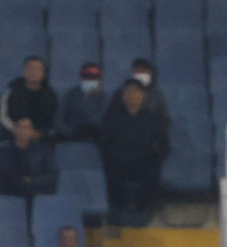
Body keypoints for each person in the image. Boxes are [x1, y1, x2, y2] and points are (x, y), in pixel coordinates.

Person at [98, 79, 169, 226]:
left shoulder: (151, 118)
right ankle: (117, 212)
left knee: (151, 174)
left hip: (143, 161)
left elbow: (163, 143)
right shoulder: (112, 117)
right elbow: (104, 141)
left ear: (143, 96)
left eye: (136, 92)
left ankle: (142, 211)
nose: (132, 96)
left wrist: (156, 157)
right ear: (123, 96)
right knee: (111, 172)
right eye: (128, 92)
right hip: (118, 160)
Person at [0, 117, 57, 198]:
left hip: (36, 193)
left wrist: (31, 180)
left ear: (32, 131)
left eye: (27, 128)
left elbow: (51, 176)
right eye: (20, 127)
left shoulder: (43, 151)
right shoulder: (3, 152)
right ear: (15, 130)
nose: (23, 131)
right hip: (9, 193)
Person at [0, 55, 58, 140]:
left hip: (40, 139)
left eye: (37, 69)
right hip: (12, 136)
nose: (33, 72)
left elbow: (54, 121)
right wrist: (16, 130)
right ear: (24, 72)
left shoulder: (51, 96)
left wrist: (37, 133)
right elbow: (3, 116)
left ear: (43, 73)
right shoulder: (12, 91)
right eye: (30, 69)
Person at [106, 59, 169, 130]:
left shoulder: (157, 96)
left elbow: (165, 121)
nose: (140, 74)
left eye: (143, 71)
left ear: (150, 74)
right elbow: (111, 117)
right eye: (137, 71)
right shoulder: (120, 93)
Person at [58, 62, 107, 142]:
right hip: (71, 136)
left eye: (94, 78)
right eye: (87, 77)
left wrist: (86, 98)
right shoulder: (70, 94)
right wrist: (70, 132)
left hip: (95, 137)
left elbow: (96, 120)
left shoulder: (103, 97)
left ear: (99, 80)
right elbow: (58, 118)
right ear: (81, 78)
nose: (90, 80)